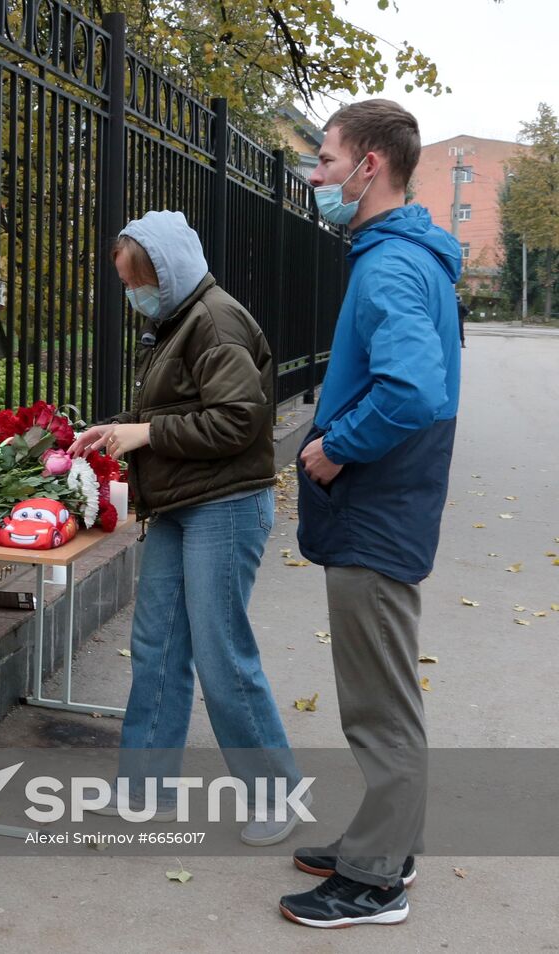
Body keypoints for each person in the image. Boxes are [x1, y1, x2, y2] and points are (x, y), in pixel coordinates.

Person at [68, 210, 305, 848]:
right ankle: (146, 790)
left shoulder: (216, 320)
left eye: (136, 281)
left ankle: (275, 796)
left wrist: (143, 434)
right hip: (183, 501)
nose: (132, 295)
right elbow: (175, 408)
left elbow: (237, 422)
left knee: (221, 655)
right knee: (159, 646)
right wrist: (116, 427)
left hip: (224, 506)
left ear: (165, 273)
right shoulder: (180, 319)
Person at [285, 99, 462, 929]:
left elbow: (413, 390)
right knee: (383, 695)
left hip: (375, 506)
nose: (316, 177)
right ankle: (384, 843)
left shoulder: (390, 265)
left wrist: (334, 448)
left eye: (325, 161)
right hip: (389, 505)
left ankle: (375, 881)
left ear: (370, 168)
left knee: (377, 706)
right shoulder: (405, 255)